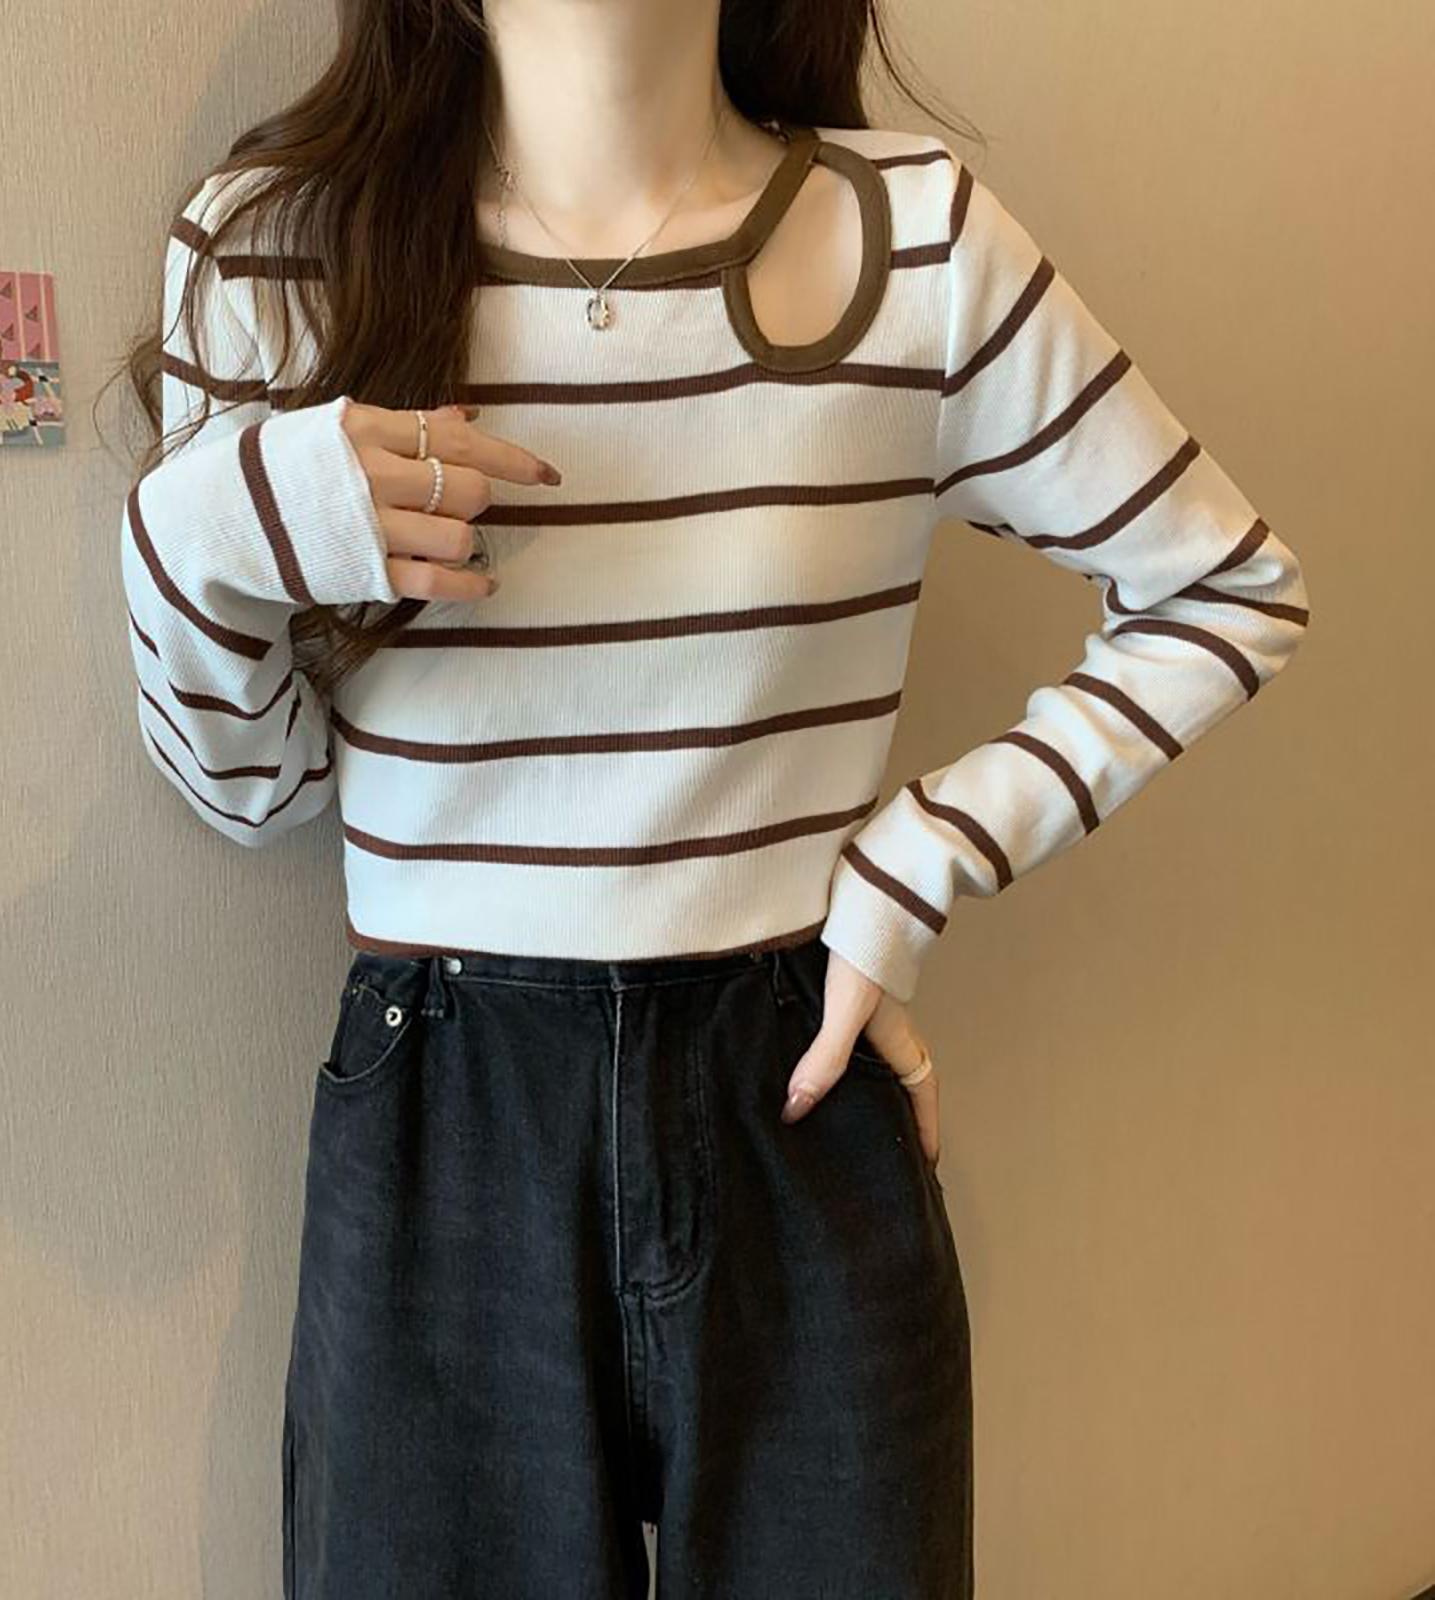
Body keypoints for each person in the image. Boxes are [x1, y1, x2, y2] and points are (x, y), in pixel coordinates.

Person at [114, 0, 1310, 1593]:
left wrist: (922, 861)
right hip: (446, 1105)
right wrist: (200, 533)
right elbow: (252, 792)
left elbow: (1227, 589)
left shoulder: (917, 244)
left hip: (793, 1083)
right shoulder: (276, 251)